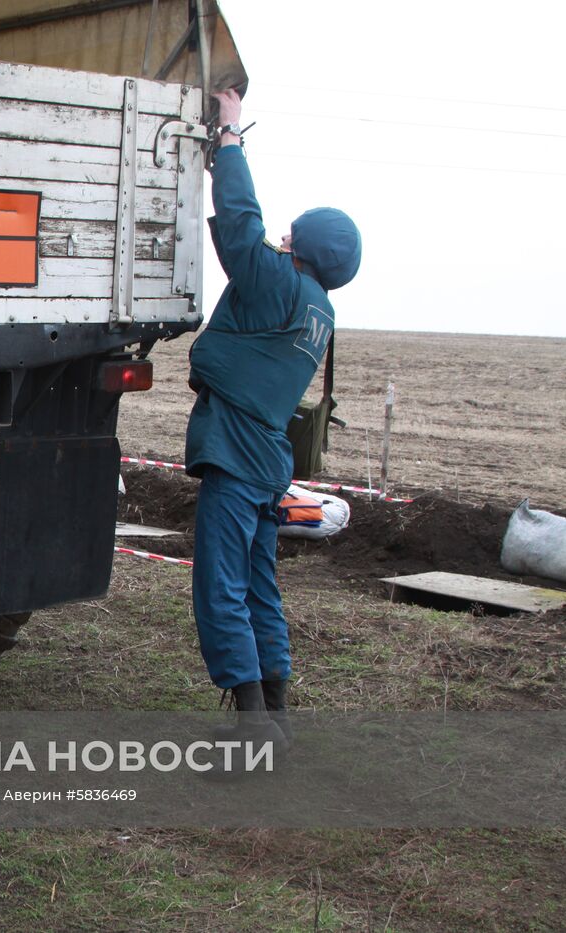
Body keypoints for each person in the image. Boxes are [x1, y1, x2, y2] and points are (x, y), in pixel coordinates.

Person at [185, 88, 361, 747]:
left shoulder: (280, 282)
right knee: (258, 582)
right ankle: (276, 710)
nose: (283, 236)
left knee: (221, 582)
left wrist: (230, 138)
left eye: (295, 233)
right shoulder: (319, 308)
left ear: (305, 245)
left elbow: (239, 224)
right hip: (266, 458)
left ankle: (252, 727)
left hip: (235, 448)